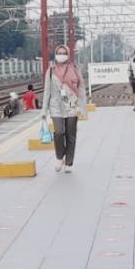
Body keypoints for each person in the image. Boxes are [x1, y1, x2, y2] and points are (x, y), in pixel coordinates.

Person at [41, 44, 87, 173]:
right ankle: (59, 157)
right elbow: (47, 91)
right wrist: (44, 110)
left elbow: (81, 87)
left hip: (72, 105)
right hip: (56, 106)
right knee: (59, 132)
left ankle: (69, 162)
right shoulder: (50, 71)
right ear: (55, 54)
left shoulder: (74, 69)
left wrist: (82, 106)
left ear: (68, 54)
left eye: (63, 53)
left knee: (71, 135)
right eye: (59, 53)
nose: (61, 55)